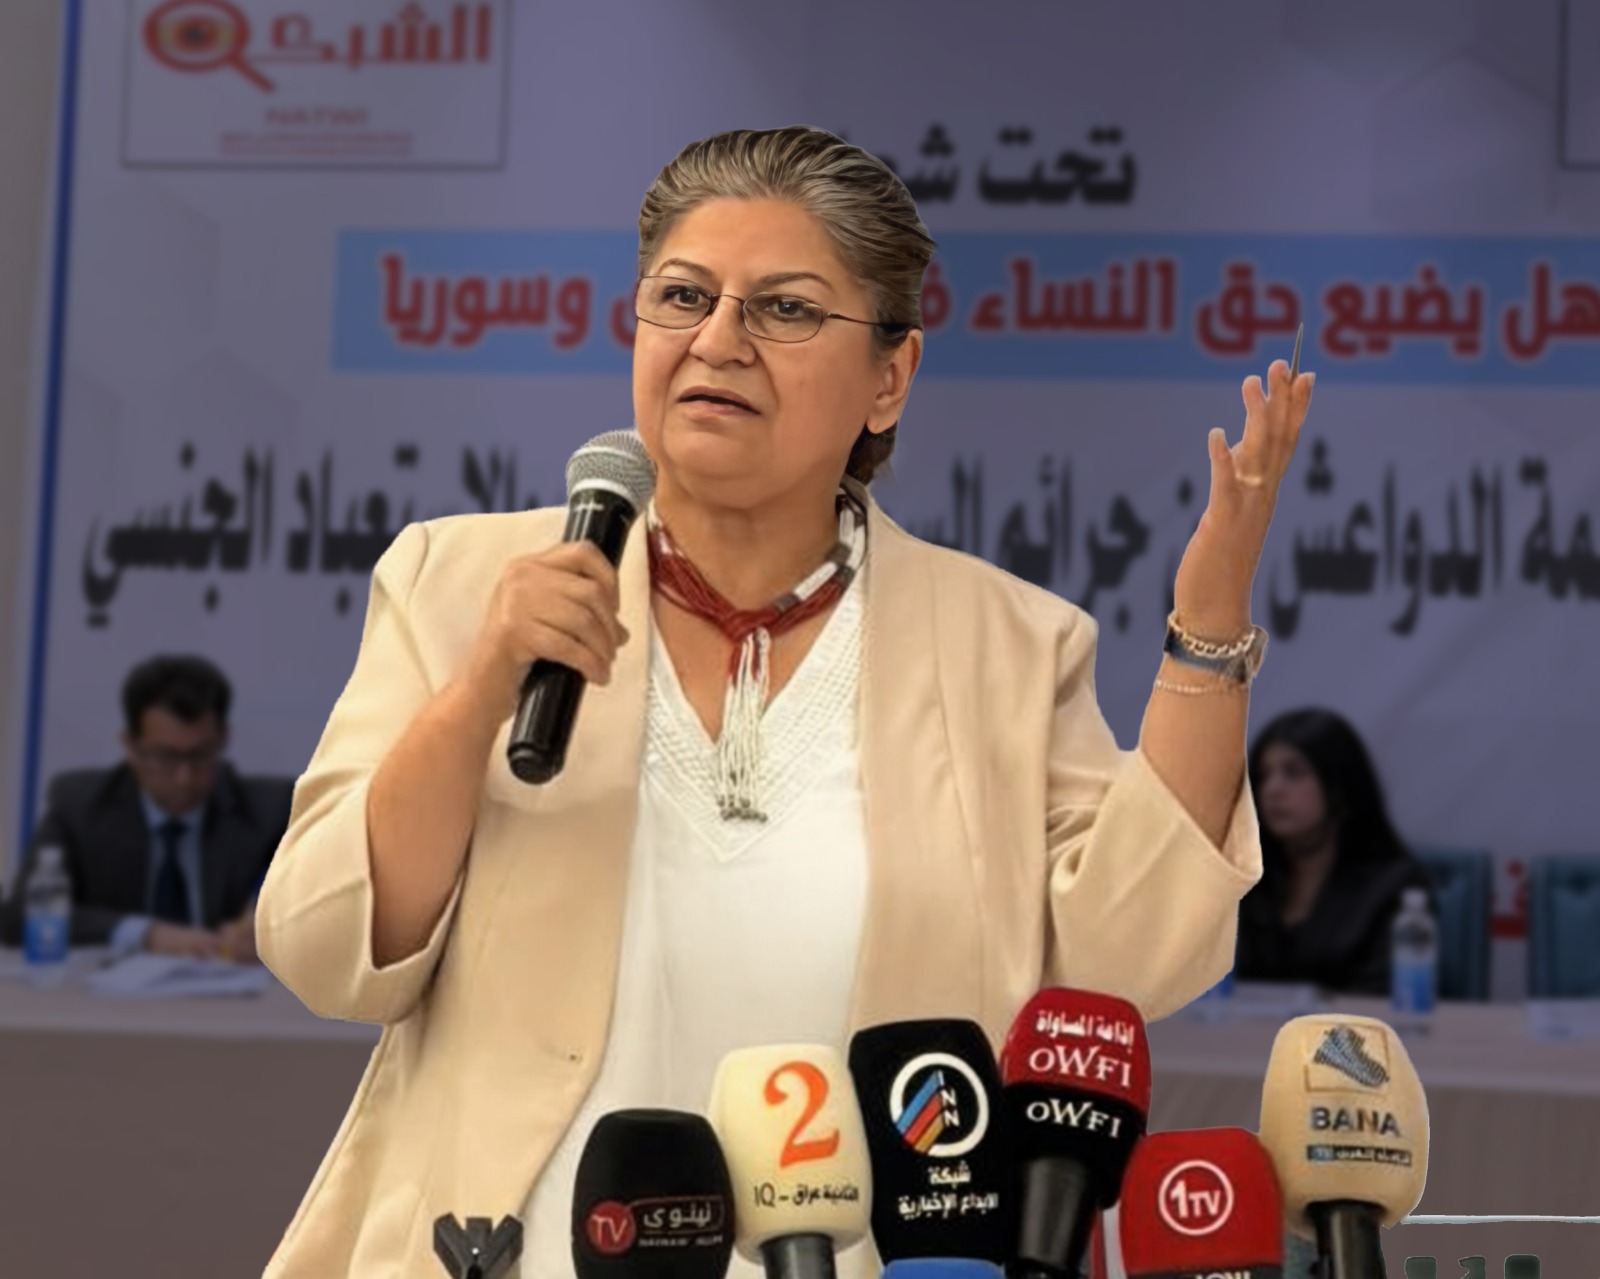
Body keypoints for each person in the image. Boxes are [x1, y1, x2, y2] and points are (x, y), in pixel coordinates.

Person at [255, 126, 1313, 1279]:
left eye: (785, 309)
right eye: (682, 296)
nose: (717, 340)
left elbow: (1131, 959)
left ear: (888, 378)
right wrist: (477, 693)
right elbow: (326, 952)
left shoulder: (1007, 643)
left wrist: (1208, 626)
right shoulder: (460, 583)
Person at [0, 655, 291, 962]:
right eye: (164, 757)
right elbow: (18, 916)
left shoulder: (269, 811)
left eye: (200, 756)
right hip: (110, 991)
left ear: (223, 739)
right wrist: (145, 934)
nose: (183, 778)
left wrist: (274, 932)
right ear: (130, 747)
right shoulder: (80, 806)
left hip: (230, 989)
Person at [1235, 707, 1433, 995]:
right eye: (1264, 776)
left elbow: (1384, 996)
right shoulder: (1244, 881)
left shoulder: (1393, 888)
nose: (1272, 789)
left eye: (1293, 773)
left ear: (1340, 787)